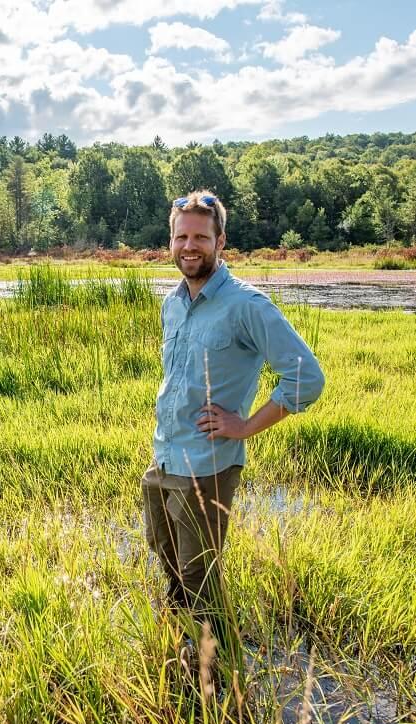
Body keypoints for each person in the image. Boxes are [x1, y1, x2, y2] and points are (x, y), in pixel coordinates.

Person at [142, 190, 325, 663]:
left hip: (207, 467)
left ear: (221, 241)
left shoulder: (247, 305)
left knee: (202, 581)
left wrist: (243, 426)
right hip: (164, 458)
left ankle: (220, 679)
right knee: (170, 566)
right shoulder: (173, 303)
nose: (189, 246)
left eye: (200, 237)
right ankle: (184, 656)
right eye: (181, 236)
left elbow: (306, 377)